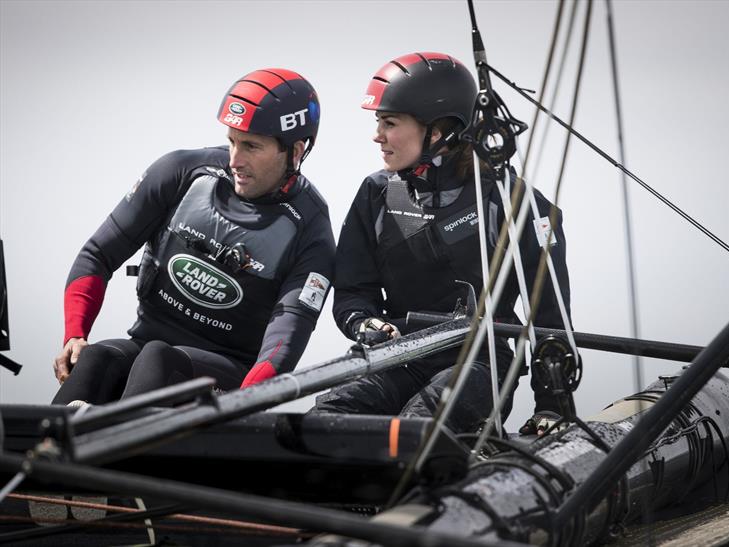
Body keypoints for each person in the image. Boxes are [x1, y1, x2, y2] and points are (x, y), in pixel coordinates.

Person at [311, 52, 571, 434]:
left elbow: (551, 316)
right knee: (326, 418)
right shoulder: (376, 192)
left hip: (478, 363)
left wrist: (552, 407)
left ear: (437, 132)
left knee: (418, 428)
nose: (377, 135)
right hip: (399, 356)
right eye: (377, 122)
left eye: (390, 123)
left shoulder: (514, 203)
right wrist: (364, 322)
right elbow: (353, 291)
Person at [52, 68, 335, 405]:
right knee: (96, 359)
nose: (235, 160)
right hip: (146, 346)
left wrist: (245, 402)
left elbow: (283, 342)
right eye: (231, 141)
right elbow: (97, 255)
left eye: (251, 146)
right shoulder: (181, 172)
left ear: (296, 150)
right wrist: (75, 334)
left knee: (159, 358)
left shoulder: (310, 230)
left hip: (226, 375)